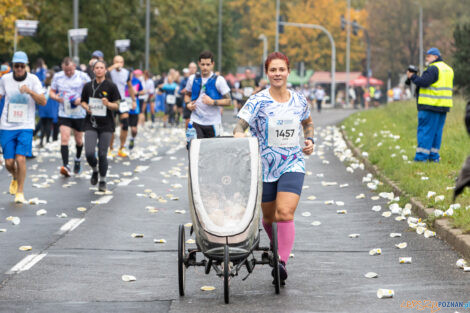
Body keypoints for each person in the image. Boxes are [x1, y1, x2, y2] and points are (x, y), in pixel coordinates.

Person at [233, 52, 314, 285]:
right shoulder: (257, 100)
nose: (277, 74)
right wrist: (239, 134)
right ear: (267, 73)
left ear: (288, 72)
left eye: (281, 69)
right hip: (265, 165)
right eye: (273, 70)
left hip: (292, 163)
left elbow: (307, 123)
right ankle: (276, 245)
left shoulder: (299, 100)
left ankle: (281, 263)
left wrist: (309, 140)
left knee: (285, 213)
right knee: (268, 218)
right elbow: (240, 125)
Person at [0, 51, 46, 203]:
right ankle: (14, 176)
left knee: (21, 159)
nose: (19, 69)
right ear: (13, 66)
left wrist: (30, 91)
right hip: (7, 125)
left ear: (26, 66)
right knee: (8, 163)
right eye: (16, 66)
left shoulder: (33, 79)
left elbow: (43, 101)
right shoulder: (5, 79)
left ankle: (20, 191)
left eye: (22, 66)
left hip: (25, 125)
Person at [407, 47, 454, 162]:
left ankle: (421, 158)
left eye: (428, 56)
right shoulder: (448, 69)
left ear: (435, 57)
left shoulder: (433, 68)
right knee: (437, 132)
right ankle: (433, 157)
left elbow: (424, 82)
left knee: (425, 131)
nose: (426, 58)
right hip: (443, 106)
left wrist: (412, 76)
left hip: (430, 105)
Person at [80, 60, 120, 191]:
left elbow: (117, 105)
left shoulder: (111, 86)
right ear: (93, 70)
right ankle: (95, 169)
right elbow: (83, 102)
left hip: (106, 124)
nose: (99, 70)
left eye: (101, 68)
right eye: (96, 68)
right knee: (90, 153)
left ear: (105, 70)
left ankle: (102, 180)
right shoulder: (87, 86)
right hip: (91, 123)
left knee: (102, 154)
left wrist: (108, 104)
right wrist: (87, 107)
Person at [49, 57, 91, 176]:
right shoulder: (57, 76)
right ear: (62, 68)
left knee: (78, 140)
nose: (68, 73)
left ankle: (77, 159)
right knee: (65, 137)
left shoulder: (83, 76)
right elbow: (51, 92)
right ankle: (66, 165)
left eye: (70, 70)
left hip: (79, 113)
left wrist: (82, 99)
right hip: (64, 112)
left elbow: (91, 91)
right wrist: (57, 98)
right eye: (66, 70)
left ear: (74, 67)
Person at [184, 51, 231, 138]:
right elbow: (187, 95)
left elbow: (229, 101)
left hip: (213, 123)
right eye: (203, 64)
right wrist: (188, 104)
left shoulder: (219, 80)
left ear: (212, 64)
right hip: (196, 122)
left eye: (208, 64)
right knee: (194, 150)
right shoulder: (192, 79)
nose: (205, 67)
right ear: (199, 64)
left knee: (213, 151)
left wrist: (213, 102)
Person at [108, 55, 136, 157]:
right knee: (111, 126)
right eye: (116, 61)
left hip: (122, 100)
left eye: (120, 62)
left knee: (125, 123)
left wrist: (134, 100)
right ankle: (110, 148)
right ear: (113, 62)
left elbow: (130, 87)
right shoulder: (109, 72)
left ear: (123, 63)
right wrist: (113, 67)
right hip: (111, 101)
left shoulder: (126, 73)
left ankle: (122, 147)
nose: (118, 64)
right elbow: (103, 73)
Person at [127, 70, 143, 150]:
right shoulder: (122, 82)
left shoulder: (137, 81)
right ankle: (121, 146)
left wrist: (137, 93)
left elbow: (143, 91)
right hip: (124, 106)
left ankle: (132, 139)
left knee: (134, 129)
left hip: (134, 107)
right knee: (124, 126)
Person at [181, 62, 197, 128]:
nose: (192, 69)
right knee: (187, 121)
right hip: (187, 102)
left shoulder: (199, 78)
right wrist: (185, 90)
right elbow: (181, 90)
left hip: (196, 103)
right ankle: (188, 136)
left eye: (194, 68)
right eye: (191, 67)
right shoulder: (185, 79)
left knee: (196, 123)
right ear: (188, 68)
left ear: (196, 69)